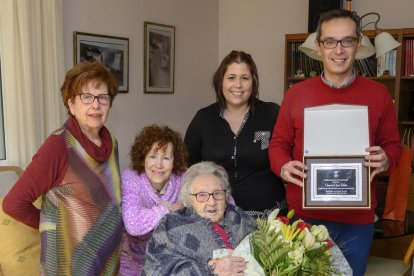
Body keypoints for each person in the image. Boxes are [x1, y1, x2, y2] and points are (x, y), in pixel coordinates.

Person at [268, 9, 403, 276]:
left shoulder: (379, 95)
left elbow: (394, 146)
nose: (338, 50)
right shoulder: (296, 94)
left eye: (347, 41)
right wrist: (283, 167)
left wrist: (387, 158)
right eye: (330, 41)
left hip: (357, 221)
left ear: (358, 44)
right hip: (304, 217)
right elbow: (277, 145)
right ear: (319, 47)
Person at [2, 62, 123, 275]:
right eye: (86, 97)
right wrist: (53, 226)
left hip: (107, 261)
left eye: (103, 97)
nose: (96, 105)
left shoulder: (110, 142)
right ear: (71, 104)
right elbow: (14, 203)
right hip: (68, 265)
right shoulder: (58, 146)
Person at [184, 50, 286, 218]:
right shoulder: (203, 118)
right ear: (221, 82)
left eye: (244, 78)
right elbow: (187, 168)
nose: (238, 85)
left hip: (271, 218)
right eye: (231, 78)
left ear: (253, 82)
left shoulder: (272, 113)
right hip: (218, 218)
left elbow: (289, 156)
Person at [142, 161, 256, 275]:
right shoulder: (171, 225)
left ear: (226, 196)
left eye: (217, 193)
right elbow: (155, 270)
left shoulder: (241, 219)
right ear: (189, 199)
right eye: (202, 195)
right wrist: (210, 269)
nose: (212, 202)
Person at [120, 124, 188, 275]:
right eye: (152, 156)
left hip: (173, 263)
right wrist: (169, 209)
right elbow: (133, 224)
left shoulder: (183, 176)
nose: (158, 165)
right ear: (143, 158)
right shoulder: (130, 178)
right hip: (135, 263)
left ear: (174, 161)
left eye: (166, 158)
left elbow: (216, 197)